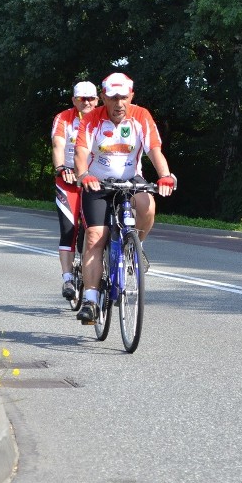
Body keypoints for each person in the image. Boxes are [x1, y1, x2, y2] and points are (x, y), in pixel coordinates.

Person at [72, 72, 177, 324]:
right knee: (95, 237)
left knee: (148, 205)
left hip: (131, 179)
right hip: (98, 182)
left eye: (123, 97)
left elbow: (154, 150)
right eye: (112, 98)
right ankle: (91, 299)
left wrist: (164, 175)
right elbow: (80, 152)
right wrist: (84, 174)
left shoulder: (141, 116)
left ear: (132, 96)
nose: (119, 103)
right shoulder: (91, 120)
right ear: (103, 98)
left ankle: (134, 249)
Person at [51, 81, 99, 301]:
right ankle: (68, 279)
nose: (87, 102)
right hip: (69, 179)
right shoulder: (64, 118)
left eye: (91, 98)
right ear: (74, 100)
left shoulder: (103, 119)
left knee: (96, 231)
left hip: (96, 179)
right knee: (70, 229)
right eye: (82, 99)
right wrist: (62, 168)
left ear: (98, 100)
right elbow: (58, 146)